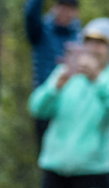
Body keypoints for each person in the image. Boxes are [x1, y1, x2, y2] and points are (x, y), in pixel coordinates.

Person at [28, 18, 109, 188]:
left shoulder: (105, 80)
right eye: (89, 42)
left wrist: (97, 79)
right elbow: (37, 108)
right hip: (55, 167)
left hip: (94, 171)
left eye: (100, 43)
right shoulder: (66, 72)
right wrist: (55, 88)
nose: (93, 49)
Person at [24, 0, 80, 143]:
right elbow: (30, 11)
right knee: (47, 158)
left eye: (69, 8)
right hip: (46, 104)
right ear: (54, 7)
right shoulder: (41, 32)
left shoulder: (80, 36)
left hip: (72, 107)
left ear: (75, 12)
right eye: (61, 6)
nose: (65, 11)